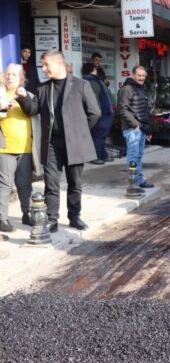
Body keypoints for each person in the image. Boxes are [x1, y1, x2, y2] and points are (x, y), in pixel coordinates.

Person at [16, 49, 101, 233]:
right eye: (43, 65)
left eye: (46, 64)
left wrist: (80, 133)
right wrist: (22, 98)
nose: (44, 69)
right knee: (51, 183)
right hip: (52, 143)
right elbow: (32, 110)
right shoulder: (43, 88)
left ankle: (74, 217)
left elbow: (95, 113)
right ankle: (52, 219)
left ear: (59, 64)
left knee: (74, 183)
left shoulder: (81, 85)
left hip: (75, 143)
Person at [0, 64, 37, 232]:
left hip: (25, 147)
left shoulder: (28, 95)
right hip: (4, 148)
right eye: (7, 74)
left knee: (24, 184)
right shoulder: (0, 95)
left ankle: (27, 214)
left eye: (14, 74)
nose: (10, 77)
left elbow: (32, 111)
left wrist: (22, 98)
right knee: (5, 185)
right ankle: (2, 219)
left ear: (21, 78)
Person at [117, 65, 153, 190]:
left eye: (143, 76)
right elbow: (122, 110)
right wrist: (136, 125)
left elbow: (144, 110)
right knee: (133, 157)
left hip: (141, 128)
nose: (141, 78)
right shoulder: (126, 89)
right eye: (139, 75)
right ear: (132, 75)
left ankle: (139, 180)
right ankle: (133, 184)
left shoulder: (141, 89)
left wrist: (148, 129)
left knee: (138, 156)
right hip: (132, 129)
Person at [82, 63, 114, 165]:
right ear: (93, 69)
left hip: (103, 113)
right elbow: (95, 99)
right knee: (99, 136)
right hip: (104, 113)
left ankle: (100, 156)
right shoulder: (93, 81)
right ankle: (100, 156)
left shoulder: (91, 81)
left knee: (99, 136)